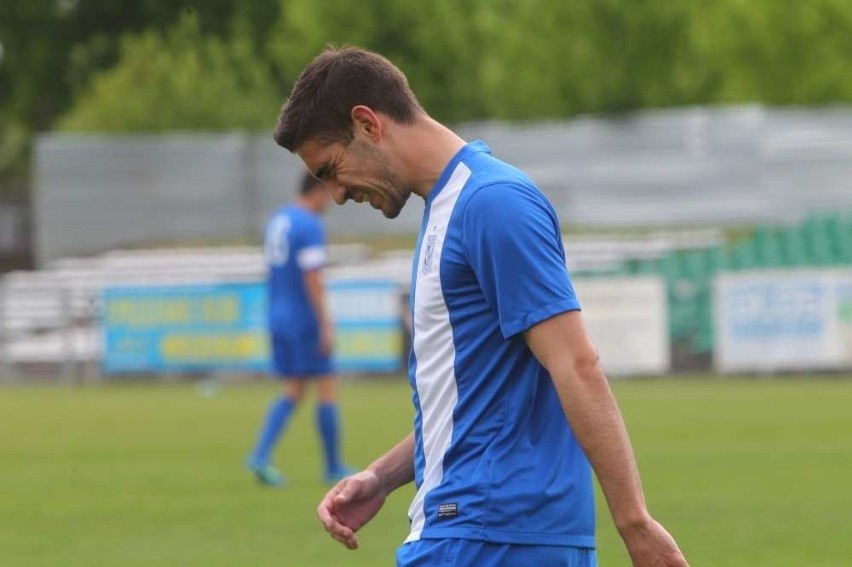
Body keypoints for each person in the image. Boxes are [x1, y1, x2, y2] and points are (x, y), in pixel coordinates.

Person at [273, 46, 689, 567]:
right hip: (484, 529)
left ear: (367, 124)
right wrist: (383, 476)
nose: (334, 195)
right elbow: (478, 399)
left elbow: (576, 363)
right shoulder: (449, 209)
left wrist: (635, 524)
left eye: (330, 169)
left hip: (486, 534)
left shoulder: (491, 204)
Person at [246, 172, 353, 487]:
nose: (333, 200)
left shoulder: (278, 220)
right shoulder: (309, 224)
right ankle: (332, 465)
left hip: (278, 313)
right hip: (303, 317)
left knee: (294, 388)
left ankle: (261, 455)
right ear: (318, 189)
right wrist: (325, 323)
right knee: (327, 385)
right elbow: (312, 277)